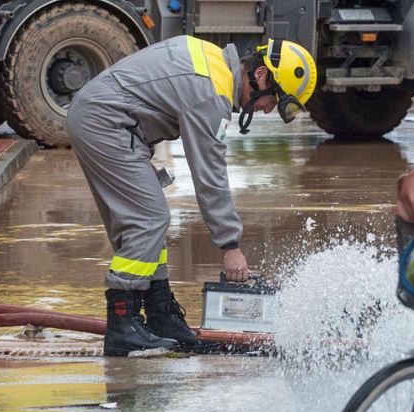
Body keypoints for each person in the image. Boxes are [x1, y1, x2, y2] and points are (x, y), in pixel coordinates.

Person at [67, 36, 318, 356]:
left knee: (146, 220)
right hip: (106, 123)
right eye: (275, 100)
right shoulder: (211, 92)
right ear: (260, 76)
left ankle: (159, 313)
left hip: (104, 119)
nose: (268, 110)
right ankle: (122, 324)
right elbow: (209, 175)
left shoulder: (212, 62)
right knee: (149, 218)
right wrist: (230, 245)